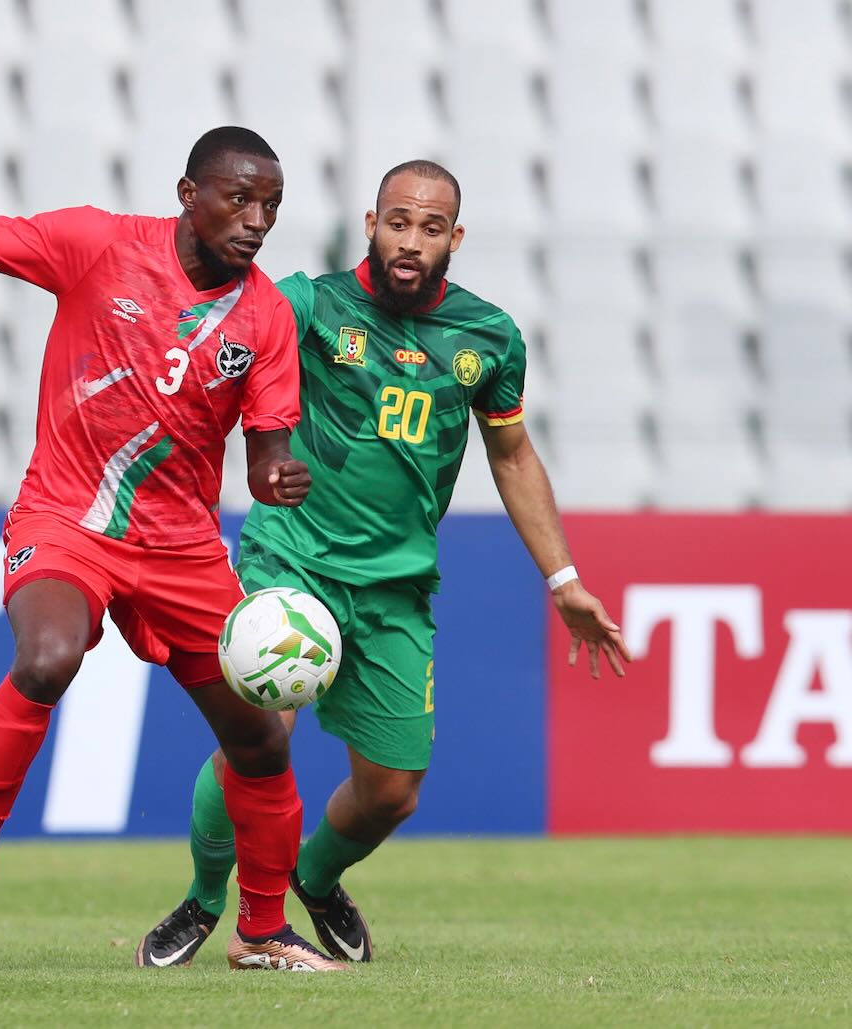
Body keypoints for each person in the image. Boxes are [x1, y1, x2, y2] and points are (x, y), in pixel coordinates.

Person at [0, 126, 347, 972]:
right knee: (47, 658)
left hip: (181, 548)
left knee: (262, 741)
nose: (257, 220)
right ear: (189, 194)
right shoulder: (98, 243)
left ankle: (261, 932)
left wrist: (274, 476)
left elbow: (267, 449)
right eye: (240, 199)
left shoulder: (265, 316)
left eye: (271, 205)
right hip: (66, 516)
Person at [135, 159, 633, 967]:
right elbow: (214, 341)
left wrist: (564, 579)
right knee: (257, 741)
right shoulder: (310, 305)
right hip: (292, 560)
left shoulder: (489, 337)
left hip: (395, 585)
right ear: (372, 224)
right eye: (398, 222)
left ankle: (314, 876)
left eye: (430, 228)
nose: (411, 241)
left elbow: (511, 454)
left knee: (392, 792)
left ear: (454, 238)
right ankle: (203, 898)